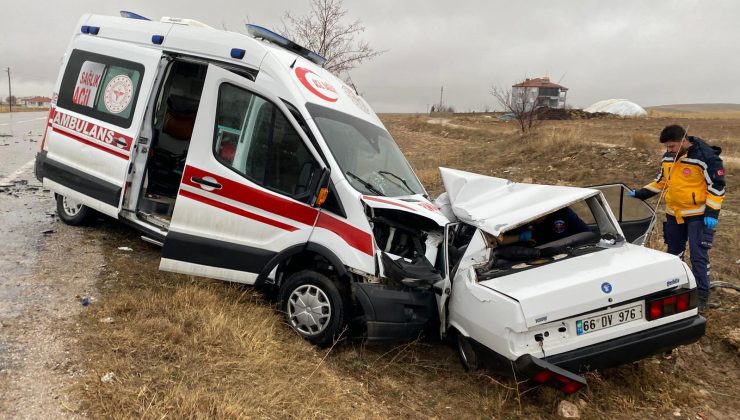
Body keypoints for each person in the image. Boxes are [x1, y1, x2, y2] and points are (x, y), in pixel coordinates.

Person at [629, 125, 726, 312]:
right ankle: (678, 290)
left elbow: (717, 186)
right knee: (674, 255)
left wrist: (712, 213)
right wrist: (641, 193)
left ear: (683, 140)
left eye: (672, 146)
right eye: (667, 147)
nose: (669, 150)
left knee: (698, 256)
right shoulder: (668, 158)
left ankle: (702, 295)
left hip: (698, 216)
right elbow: (661, 181)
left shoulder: (706, 157)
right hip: (674, 214)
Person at [502, 207, 589, 246]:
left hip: (574, 248)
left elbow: (587, 235)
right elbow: (500, 241)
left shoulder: (561, 212)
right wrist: (521, 237)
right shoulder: (519, 222)